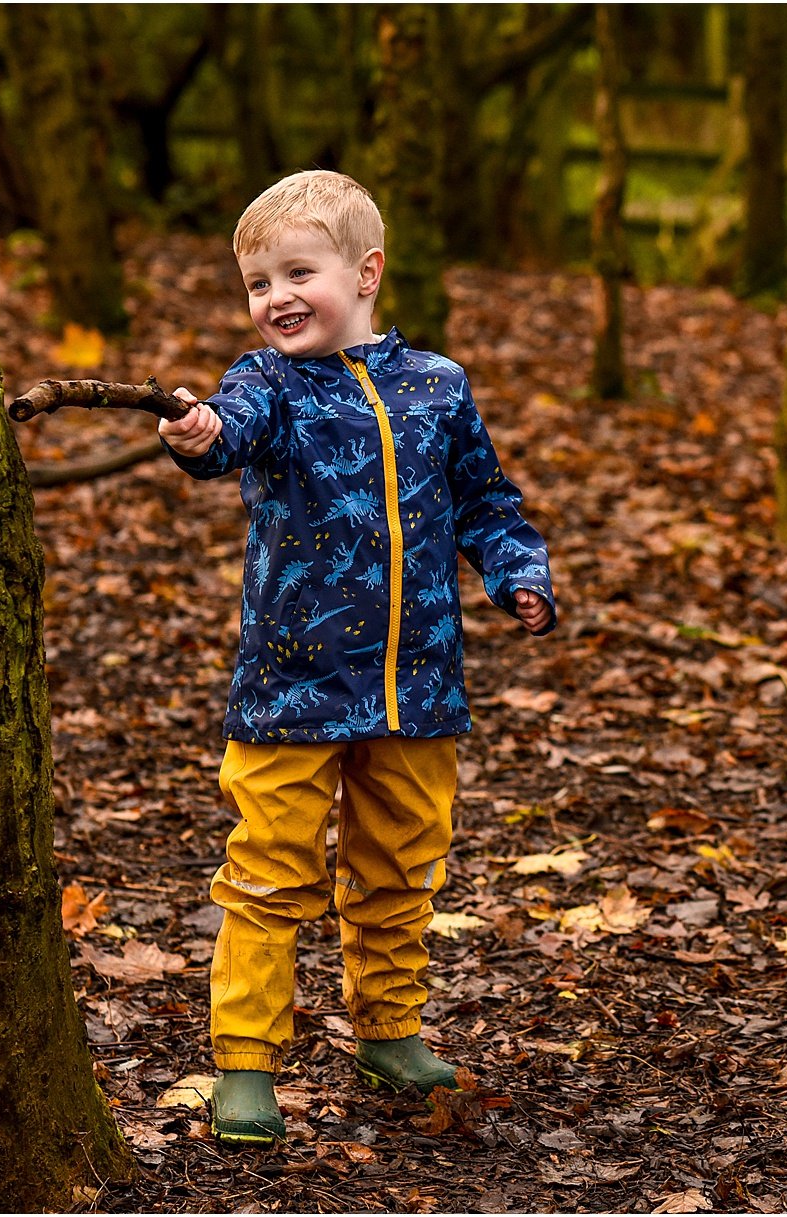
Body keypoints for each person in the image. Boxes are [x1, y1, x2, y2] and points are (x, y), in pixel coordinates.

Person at [158, 170, 556, 1147]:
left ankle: (388, 1029)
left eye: (299, 271)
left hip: (417, 687)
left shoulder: (439, 387)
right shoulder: (267, 385)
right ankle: (245, 1058)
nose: (275, 298)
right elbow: (225, 434)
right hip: (290, 690)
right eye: (257, 283)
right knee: (268, 871)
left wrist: (516, 571)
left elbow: (485, 499)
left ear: (366, 271)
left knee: (401, 866)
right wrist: (200, 435)